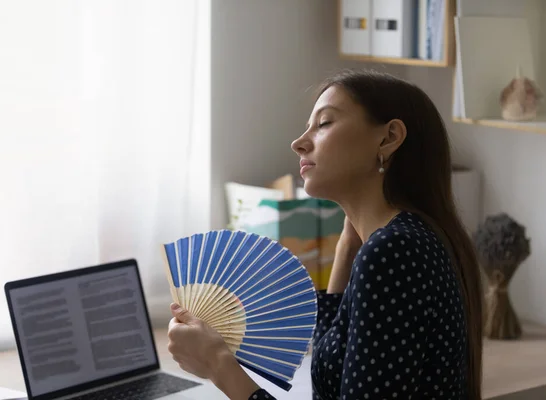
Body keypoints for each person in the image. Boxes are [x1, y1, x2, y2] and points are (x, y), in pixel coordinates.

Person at [166, 69, 484, 400]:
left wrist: (219, 364)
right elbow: (330, 382)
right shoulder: (408, 241)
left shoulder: (395, 251)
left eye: (324, 123)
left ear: (389, 138)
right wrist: (349, 244)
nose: (299, 142)